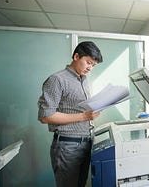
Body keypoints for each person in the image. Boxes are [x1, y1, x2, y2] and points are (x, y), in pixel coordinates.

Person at [38, 41, 103, 187]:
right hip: (67, 146)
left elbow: (77, 108)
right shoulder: (57, 79)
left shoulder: (83, 80)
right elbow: (45, 116)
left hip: (86, 142)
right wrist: (84, 116)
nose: (90, 68)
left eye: (93, 65)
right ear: (76, 56)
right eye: (88, 62)